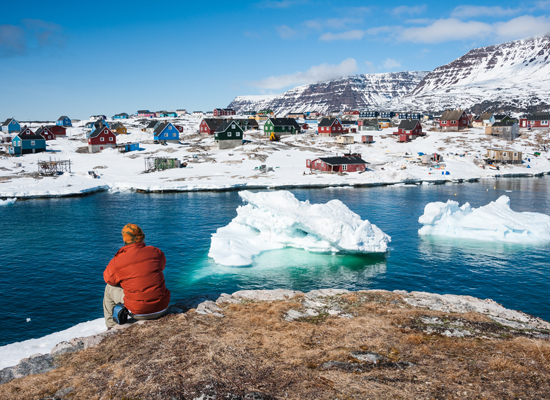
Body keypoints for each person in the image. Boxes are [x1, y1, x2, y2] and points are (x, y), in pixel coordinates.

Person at [103, 224, 170, 328]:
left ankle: (112, 326)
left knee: (109, 288)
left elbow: (108, 279)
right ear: (143, 238)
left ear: (125, 241)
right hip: (162, 308)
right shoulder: (156, 252)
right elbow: (162, 266)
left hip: (138, 313)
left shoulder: (118, 260)